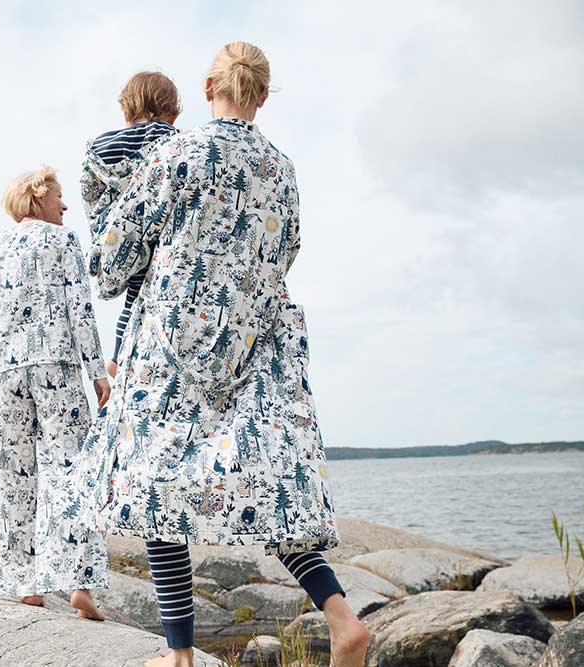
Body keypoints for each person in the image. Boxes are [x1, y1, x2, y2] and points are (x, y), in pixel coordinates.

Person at [83, 42, 372, 666]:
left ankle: (180, 654)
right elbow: (286, 250)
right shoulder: (283, 169)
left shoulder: (177, 152)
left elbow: (108, 259)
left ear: (208, 85)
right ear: (262, 98)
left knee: (161, 485)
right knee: (270, 489)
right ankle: (343, 619)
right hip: (256, 343)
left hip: (173, 345)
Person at [0, 166, 111, 620]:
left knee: (13, 475)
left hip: (7, 372)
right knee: (69, 469)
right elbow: (80, 309)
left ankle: (23, 581)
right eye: (59, 197)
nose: (65, 206)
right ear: (36, 198)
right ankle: (76, 582)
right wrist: (97, 371)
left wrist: (11, 337)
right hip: (58, 366)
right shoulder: (63, 242)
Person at [80, 71, 181, 378]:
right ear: (173, 113)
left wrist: (105, 233)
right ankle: (122, 355)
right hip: (164, 240)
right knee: (146, 298)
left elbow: (89, 196)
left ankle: (117, 355)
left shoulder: (99, 149)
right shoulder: (176, 144)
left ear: (125, 109)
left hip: (119, 242)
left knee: (131, 296)